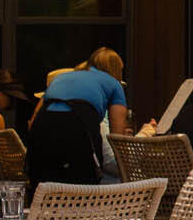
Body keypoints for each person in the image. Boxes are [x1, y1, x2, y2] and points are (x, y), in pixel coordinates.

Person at [29, 47, 126, 185]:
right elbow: (117, 138)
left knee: (44, 183)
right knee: (84, 186)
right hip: (79, 122)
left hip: (43, 124)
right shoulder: (114, 84)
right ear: (117, 70)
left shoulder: (62, 77)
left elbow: (34, 119)